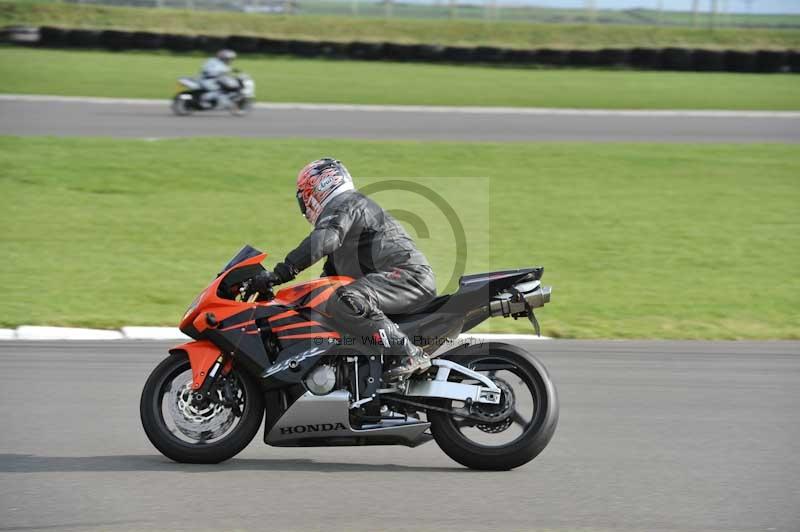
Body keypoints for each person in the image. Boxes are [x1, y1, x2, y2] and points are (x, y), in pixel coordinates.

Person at [248, 158, 437, 381]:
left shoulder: (346, 204)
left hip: (407, 276)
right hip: (396, 279)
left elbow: (323, 240)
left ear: (319, 187)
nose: (304, 204)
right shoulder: (344, 218)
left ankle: (409, 355)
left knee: (345, 299)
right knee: (329, 301)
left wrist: (280, 273)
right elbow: (325, 282)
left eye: (304, 197)